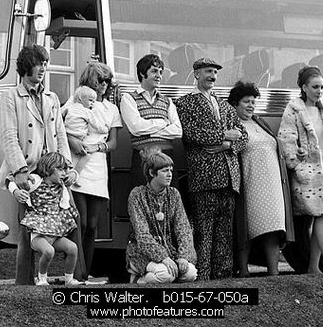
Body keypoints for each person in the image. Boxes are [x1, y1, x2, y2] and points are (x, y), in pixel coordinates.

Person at [0, 44, 79, 285]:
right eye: (38, 63)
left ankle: (75, 275)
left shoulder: (51, 98)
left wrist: (68, 168)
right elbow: (9, 135)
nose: (43, 68)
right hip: (28, 172)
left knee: (74, 218)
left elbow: (60, 135)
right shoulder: (10, 96)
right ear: (25, 66)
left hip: (54, 170)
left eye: (45, 63)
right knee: (27, 228)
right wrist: (19, 170)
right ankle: (25, 280)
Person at [175, 57, 248, 280]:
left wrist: (224, 145)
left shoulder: (225, 105)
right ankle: (203, 276)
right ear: (196, 74)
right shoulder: (185, 103)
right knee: (204, 230)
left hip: (229, 177)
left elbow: (243, 136)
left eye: (215, 72)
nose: (212, 76)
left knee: (225, 231)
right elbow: (189, 134)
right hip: (204, 177)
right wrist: (224, 135)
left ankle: (223, 275)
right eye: (208, 71)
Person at [278, 65, 323, 275]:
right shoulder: (294, 110)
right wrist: (296, 162)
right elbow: (286, 138)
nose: (320, 91)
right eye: (315, 87)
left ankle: (314, 266)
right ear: (304, 87)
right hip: (309, 170)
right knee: (321, 213)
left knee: (322, 213)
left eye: (322, 87)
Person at [228, 81, 295, 277]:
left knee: (273, 225)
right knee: (245, 225)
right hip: (249, 182)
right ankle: (243, 270)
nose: (251, 105)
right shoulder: (232, 125)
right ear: (234, 104)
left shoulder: (260, 122)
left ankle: (274, 271)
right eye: (246, 101)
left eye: (253, 102)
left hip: (272, 183)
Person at [65, 62, 122, 282]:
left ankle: (86, 273)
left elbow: (114, 142)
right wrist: (73, 142)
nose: (105, 85)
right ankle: (76, 274)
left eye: (108, 81)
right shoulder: (77, 100)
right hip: (78, 163)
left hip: (98, 165)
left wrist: (99, 147)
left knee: (93, 225)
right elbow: (60, 126)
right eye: (101, 80)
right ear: (91, 80)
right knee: (80, 221)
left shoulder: (111, 109)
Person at [126, 147, 197, 284]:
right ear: (152, 173)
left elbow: (183, 228)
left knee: (191, 274)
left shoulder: (173, 194)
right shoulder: (137, 195)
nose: (170, 174)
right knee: (165, 274)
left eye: (170, 170)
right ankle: (139, 280)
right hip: (141, 253)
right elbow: (142, 235)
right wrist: (163, 257)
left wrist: (183, 257)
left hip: (169, 251)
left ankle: (164, 275)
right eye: (165, 171)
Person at [17, 152, 82, 286]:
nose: (64, 173)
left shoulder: (61, 186)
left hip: (55, 231)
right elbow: (11, 181)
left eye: (65, 169)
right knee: (48, 251)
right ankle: (42, 279)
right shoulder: (35, 181)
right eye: (61, 169)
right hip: (38, 233)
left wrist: (71, 211)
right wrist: (16, 191)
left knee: (73, 248)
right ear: (48, 169)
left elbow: (66, 199)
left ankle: (69, 279)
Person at [120, 54, 182, 187]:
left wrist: (150, 132)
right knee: (142, 200)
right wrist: (162, 123)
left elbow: (177, 131)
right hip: (143, 158)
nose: (159, 76)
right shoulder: (129, 98)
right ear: (142, 73)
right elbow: (136, 128)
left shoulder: (167, 101)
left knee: (169, 200)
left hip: (167, 157)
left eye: (160, 72)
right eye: (154, 71)